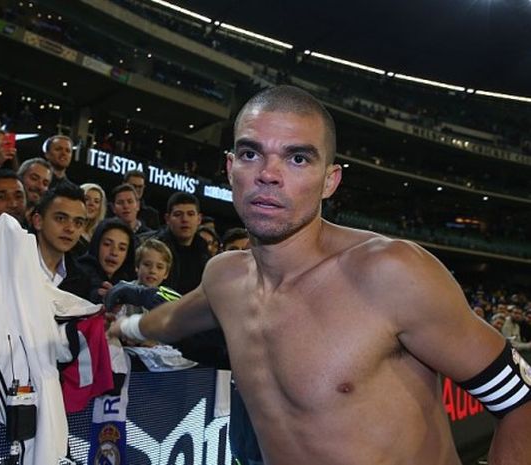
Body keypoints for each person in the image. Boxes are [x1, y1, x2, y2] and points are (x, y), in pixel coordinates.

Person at [111, 85, 531, 464]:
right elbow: (169, 320)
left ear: (330, 181)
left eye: (297, 158)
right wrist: (122, 325)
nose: (268, 174)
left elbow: (521, 403)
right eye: (250, 153)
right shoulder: (225, 279)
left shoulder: (392, 274)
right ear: (230, 168)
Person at [31, 182, 91, 299]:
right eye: (61, 219)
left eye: (78, 223)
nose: (70, 229)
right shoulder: (13, 262)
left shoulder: (81, 280)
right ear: (38, 221)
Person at [77, 218, 135, 304]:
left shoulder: (128, 280)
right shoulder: (77, 274)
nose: (114, 252)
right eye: (107, 244)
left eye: (122, 248)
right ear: (96, 244)